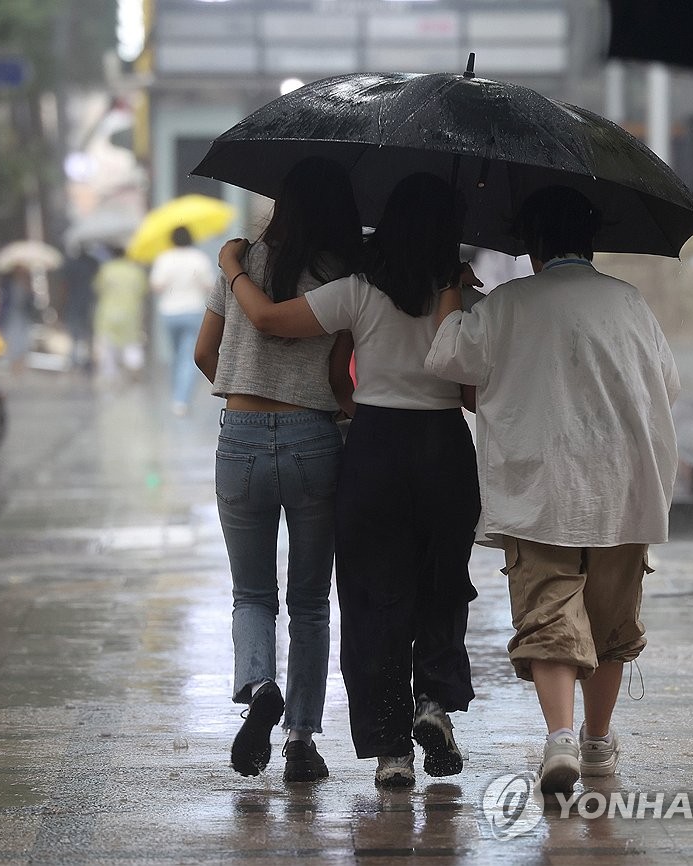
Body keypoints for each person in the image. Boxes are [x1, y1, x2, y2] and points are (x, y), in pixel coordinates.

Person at [219, 173, 483, 788]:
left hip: (375, 447)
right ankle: (434, 703)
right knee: (442, 584)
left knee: (372, 597)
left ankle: (391, 749)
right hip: (444, 447)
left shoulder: (358, 291)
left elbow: (277, 324)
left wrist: (234, 266)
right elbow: (472, 393)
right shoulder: (466, 299)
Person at [424, 185, 681, 795]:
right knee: (613, 623)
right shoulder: (629, 303)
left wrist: (450, 288)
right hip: (624, 488)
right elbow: (666, 386)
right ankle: (597, 742)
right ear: (589, 241)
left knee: (548, 614)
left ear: (532, 246)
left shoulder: (508, 304)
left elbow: (444, 359)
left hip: (538, 486)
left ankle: (559, 738)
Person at [193, 156, 363, 783]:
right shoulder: (342, 275)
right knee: (312, 601)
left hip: (239, 438)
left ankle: (259, 683)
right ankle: (300, 738)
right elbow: (339, 374)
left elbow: (203, 352)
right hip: (314, 438)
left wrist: (243, 391)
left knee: (251, 593)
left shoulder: (242, 266)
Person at [150, 226, 215, 416]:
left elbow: (156, 286)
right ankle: (181, 400)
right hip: (193, 310)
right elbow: (209, 285)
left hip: (169, 312)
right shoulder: (199, 258)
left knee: (176, 354)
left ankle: (177, 395)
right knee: (188, 356)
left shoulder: (165, 258)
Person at [92, 247, 148, 383]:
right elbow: (143, 290)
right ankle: (134, 366)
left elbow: (97, 288)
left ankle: (110, 375)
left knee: (108, 345)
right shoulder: (135, 271)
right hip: (131, 312)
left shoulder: (106, 270)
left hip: (108, 313)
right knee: (131, 342)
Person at [59, 245, 99, 372]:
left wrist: (61, 303)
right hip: (88, 302)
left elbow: (64, 286)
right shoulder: (94, 264)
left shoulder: (71, 264)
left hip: (75, 303)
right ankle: (86, 361)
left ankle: (75, 362)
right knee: (87, 335)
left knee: (75, 336)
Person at [0, 264, 33, 374]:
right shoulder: (8, 284)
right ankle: (13, 366)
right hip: (11, 315)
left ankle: (20, 367)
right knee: (12, 340)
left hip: (23, 316)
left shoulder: (27, 284)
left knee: (23, 341)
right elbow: (4, 300)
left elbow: (31, 301)